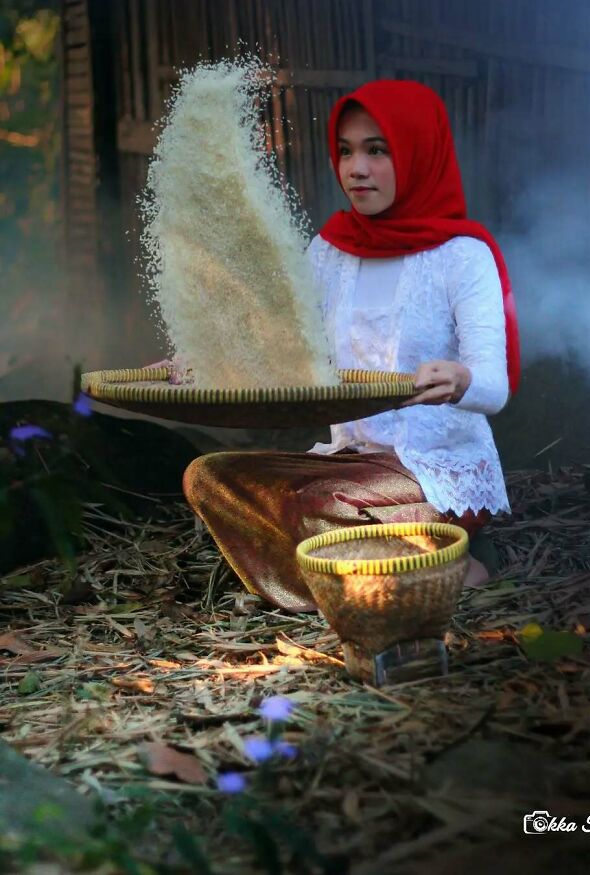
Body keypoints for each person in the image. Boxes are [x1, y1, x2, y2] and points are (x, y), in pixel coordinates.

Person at [180, 79, 520, 612]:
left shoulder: (462, 255)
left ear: (418, 154)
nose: (355, 168)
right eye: (345, 151)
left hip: (431, 473)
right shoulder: (329, 252)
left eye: (377, 150)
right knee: (209, 476)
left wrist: (461, 380)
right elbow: (285, 353)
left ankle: (435, 559)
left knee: (318, 504)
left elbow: (495, 388)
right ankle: (369, 578)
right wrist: (200, 366)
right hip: (349, 465)